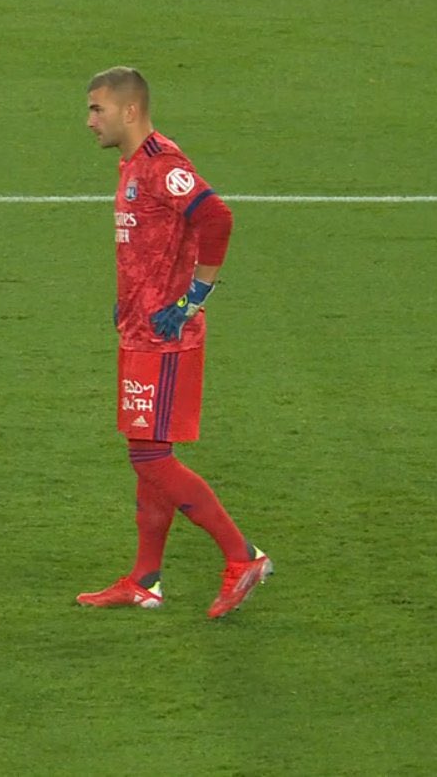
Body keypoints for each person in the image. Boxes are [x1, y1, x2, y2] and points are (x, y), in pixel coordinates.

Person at [78, 66, 272, 619]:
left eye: (97, 109)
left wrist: (192, 300)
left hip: (164, 341)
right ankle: (146, 579)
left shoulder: (163, 165)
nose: (90, 120)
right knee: (148, 456)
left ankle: (242, 555)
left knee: (150, 456)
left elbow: (217, 218)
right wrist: (129, 300)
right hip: (140, 331)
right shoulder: (133, 164)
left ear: (129, 110)